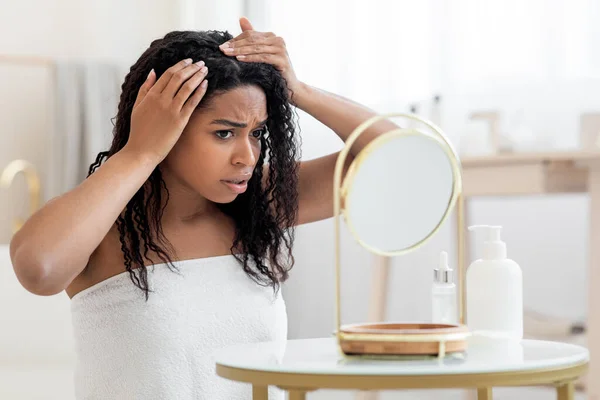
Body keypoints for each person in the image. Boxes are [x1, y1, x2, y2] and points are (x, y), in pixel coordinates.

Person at [10, 17, 398, 400]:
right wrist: (141, 151)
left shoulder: (259, 205)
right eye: (224, 133)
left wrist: (300, 90)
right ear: (165, 126)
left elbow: (401, 161)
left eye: (257, 133)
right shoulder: (103, 226)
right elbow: (38, 270)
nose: (247, 156)